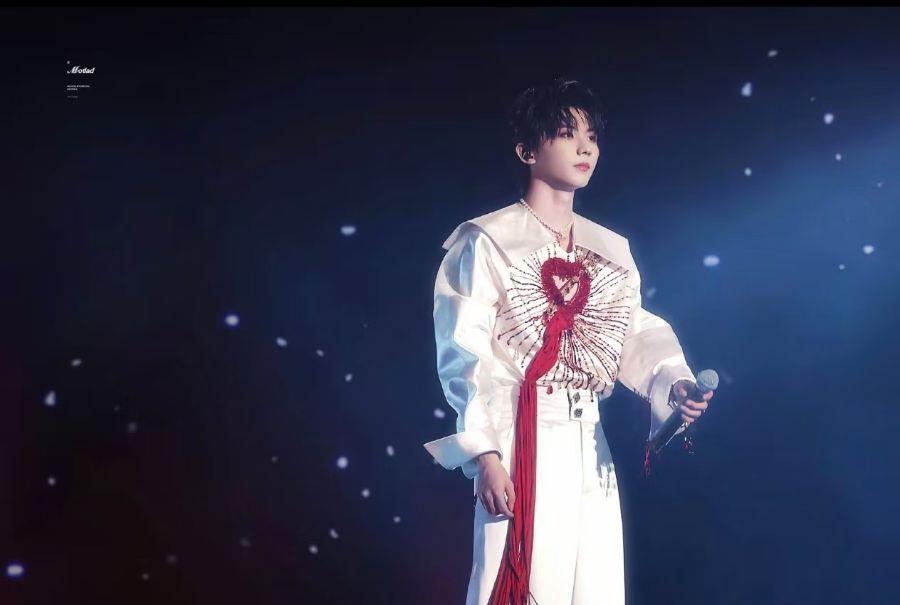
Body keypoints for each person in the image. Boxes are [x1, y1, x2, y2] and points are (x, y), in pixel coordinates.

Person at [423, 77, 714, 605]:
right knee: (523, 583)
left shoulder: (609, 249)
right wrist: (485, 454)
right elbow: (465, 351)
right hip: (521, 436)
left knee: (596, 589)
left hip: (590, 439)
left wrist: (673, 384)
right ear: (527, 150)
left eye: (592, 137)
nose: (585, 148)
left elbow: (632, 330)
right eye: (566, 133)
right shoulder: (488, 241)